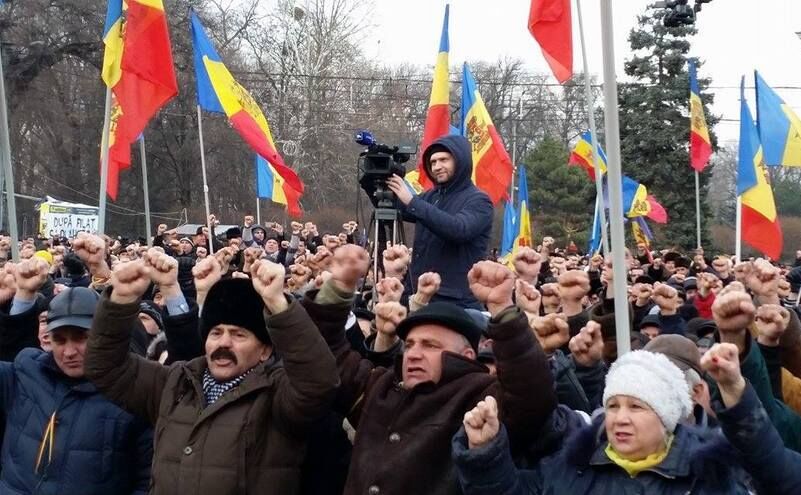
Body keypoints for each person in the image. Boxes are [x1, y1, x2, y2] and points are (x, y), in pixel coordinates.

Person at [302, 245, 556, 495]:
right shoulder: (381, 387)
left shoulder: (482, 398)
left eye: (430, 345)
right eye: (410, 344)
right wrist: (338, 289)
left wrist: (503, 308)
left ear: (467, 355)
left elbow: (532, 396)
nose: (414, 353)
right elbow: (325, 356)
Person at [84, 249, 339, 495]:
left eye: (239, 335)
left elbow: (318, 381)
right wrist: (120, 301)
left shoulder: (277, 396)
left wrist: (277, 304)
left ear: (264, 350)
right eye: (216, 333)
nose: (223, 343)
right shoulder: (175, 383)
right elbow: (106, 367)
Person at [452, 345, 801, 494]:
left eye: (636, 407)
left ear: (665, 417)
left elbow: (779, 477)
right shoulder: (573, 466)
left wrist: (735, 391)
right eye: (614, 405)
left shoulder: (711, 473)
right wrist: (484, 452)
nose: (619, 418)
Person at [0, 257, 152, 494]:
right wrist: (16, 299)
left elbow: (148, 481)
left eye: (82, 337)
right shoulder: (26, 370)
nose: (69, 351)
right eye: (59, 339)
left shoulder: (131, 395)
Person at [387, 135, 493, 309]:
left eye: (444, 160)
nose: (437, 167)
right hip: (419, 295)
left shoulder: (479, 200)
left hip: (456, 302)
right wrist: (374, 183)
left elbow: (459, 229)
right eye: (433, 162)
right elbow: (394, 208)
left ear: (460, 161)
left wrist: (413, 202)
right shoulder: (431, 197)